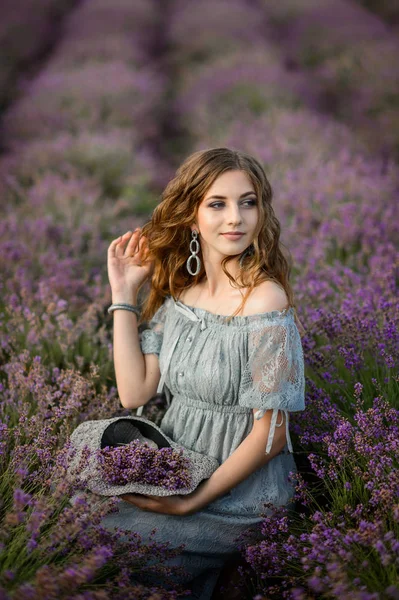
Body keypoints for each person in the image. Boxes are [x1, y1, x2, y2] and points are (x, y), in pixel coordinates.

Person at [103, 147, 306, 599]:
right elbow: (134, 390)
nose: (236, 217)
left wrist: (192, 501)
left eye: (247, 202)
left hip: (240, 494)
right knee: (78, 528)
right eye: (217, 204)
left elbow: (272, 435)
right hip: (179, 467)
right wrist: (123, 294)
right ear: (192, 218)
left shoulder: (264, 301)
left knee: (124, 555)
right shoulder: (182, 294)